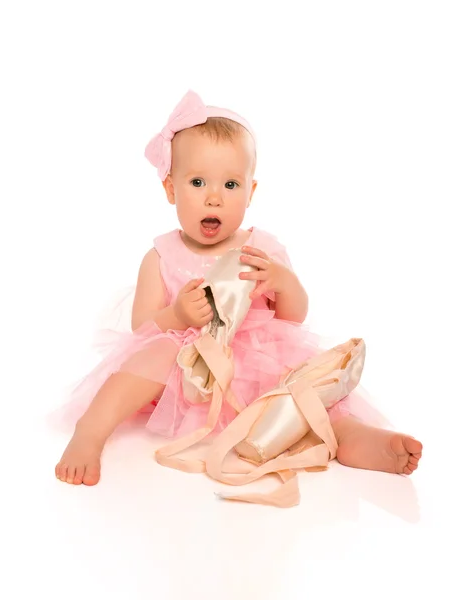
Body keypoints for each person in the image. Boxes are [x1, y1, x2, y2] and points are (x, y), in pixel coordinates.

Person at [54, 90, 422, 486]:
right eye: (197, 182)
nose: (214, 196)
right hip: (187, 367)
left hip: (253, 365)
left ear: (251, 191)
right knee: (147, 359)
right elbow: (142, 330)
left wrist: (285, 283)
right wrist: (176, 315)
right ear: (171, 189)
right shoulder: (161, 255)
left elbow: (292, 317)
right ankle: (90, 431)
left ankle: (352, 437)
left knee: (300, 385)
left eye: (231, 184)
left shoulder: (262, 248)